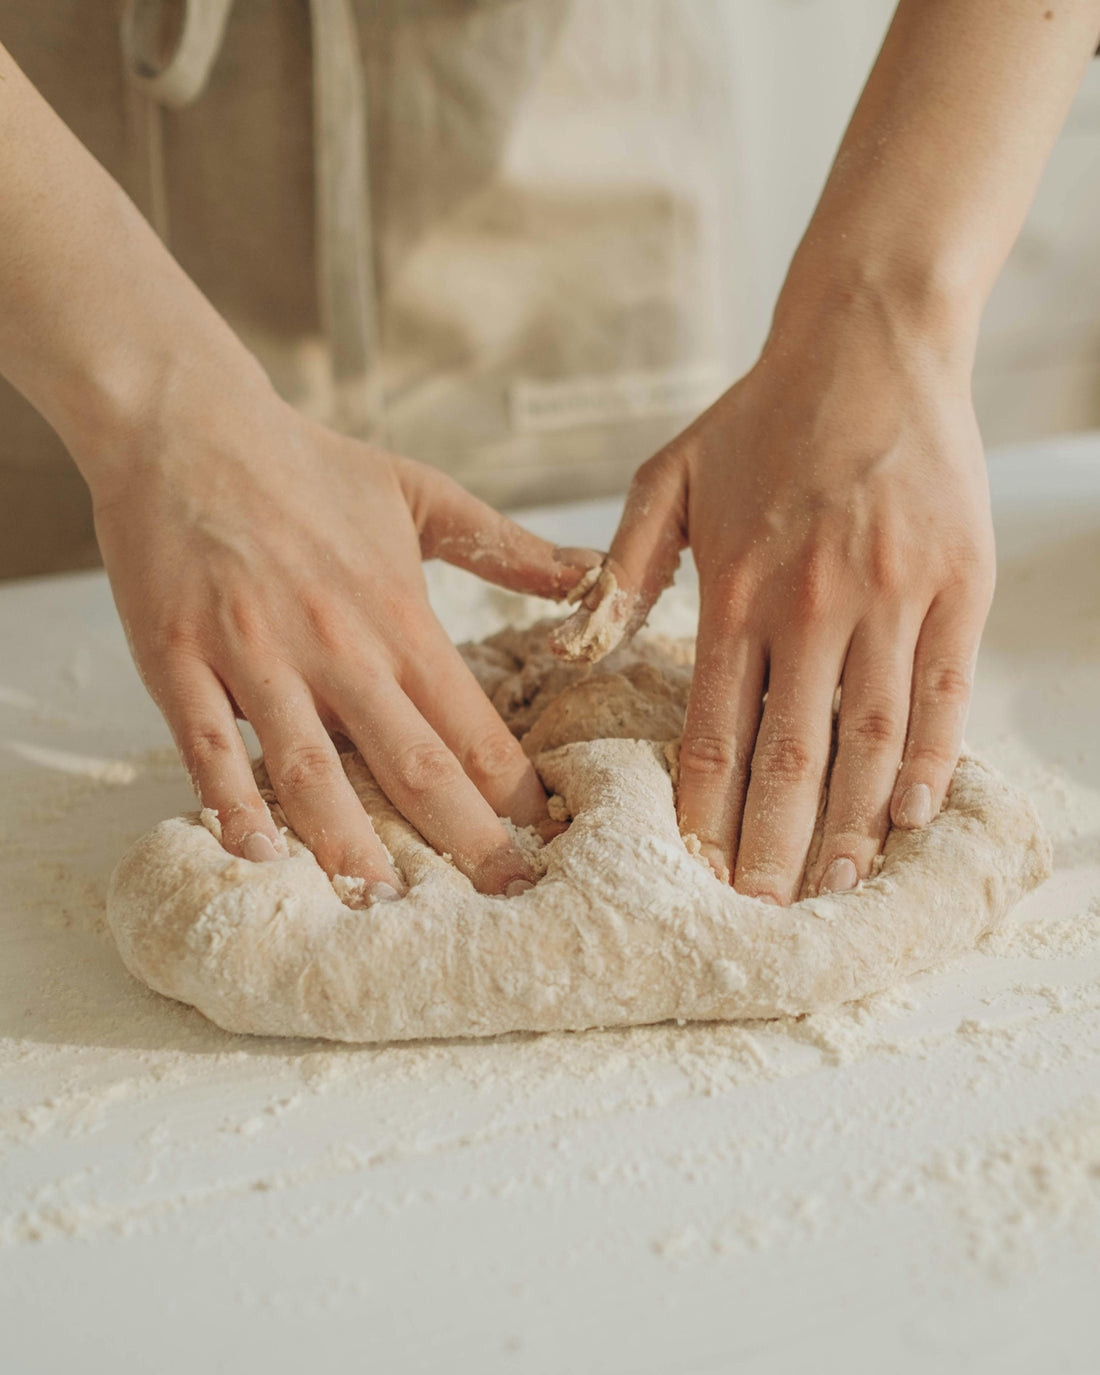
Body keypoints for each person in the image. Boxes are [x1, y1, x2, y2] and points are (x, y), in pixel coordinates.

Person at [1, 2, 1097, 907]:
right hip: (61, 240)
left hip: (563, 185)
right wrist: (149, 402)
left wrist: (884, 302)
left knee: (658, 635)